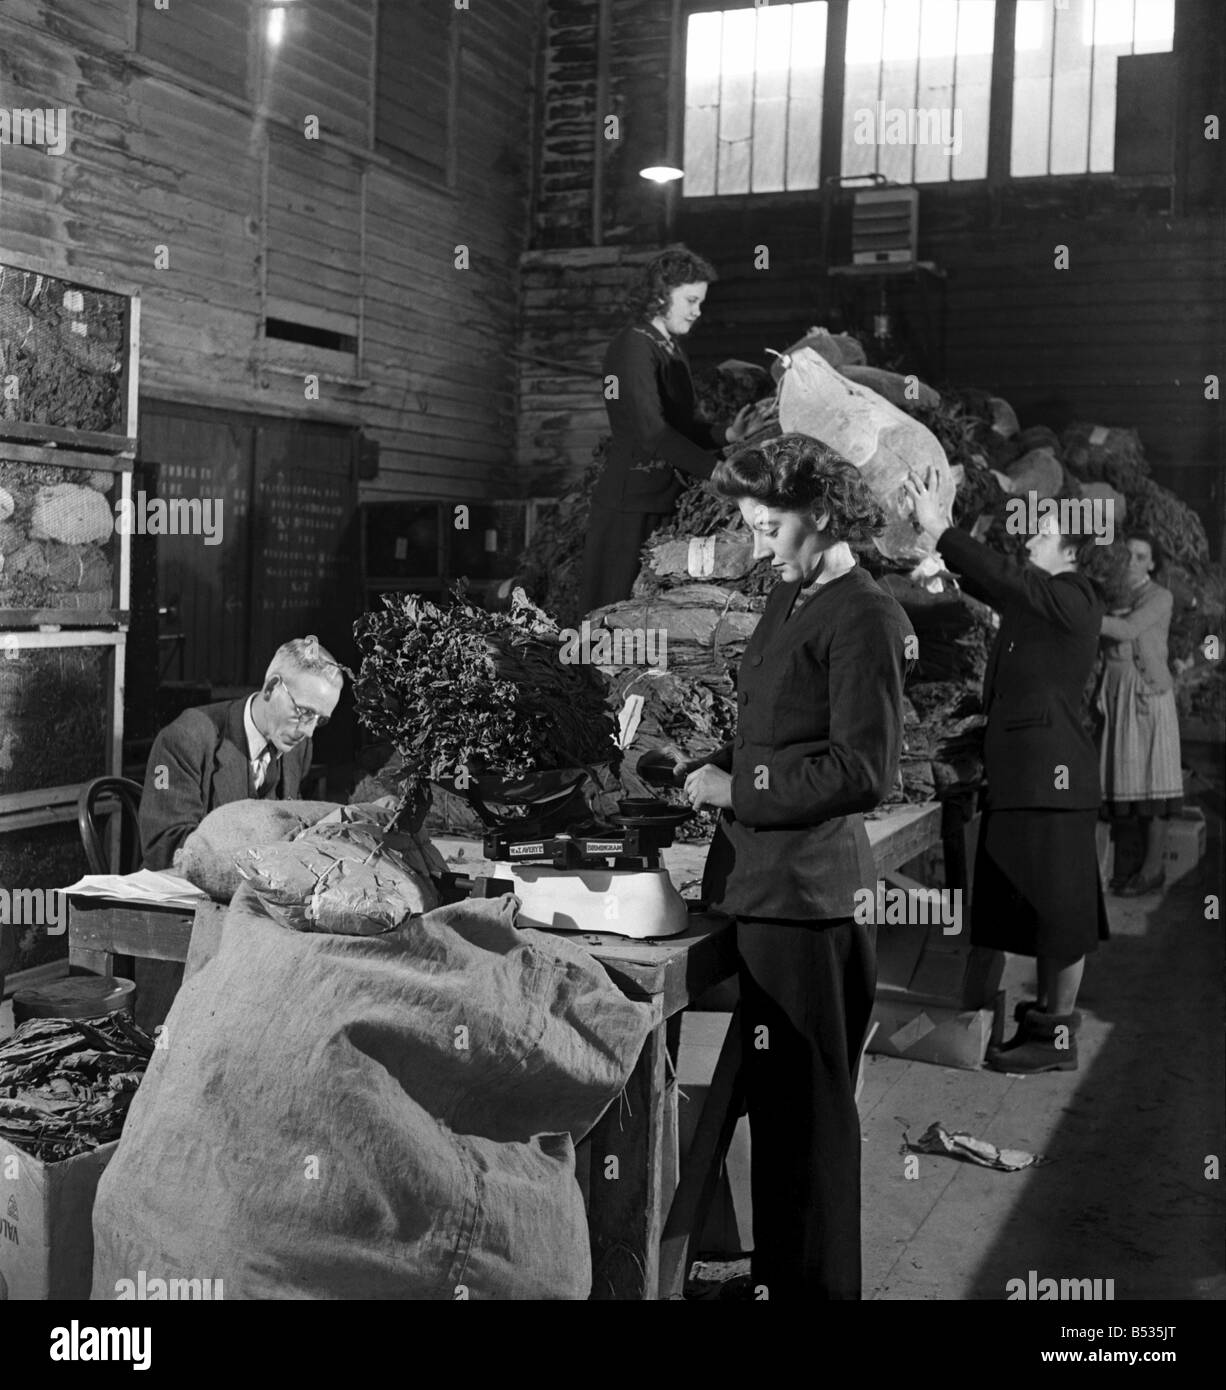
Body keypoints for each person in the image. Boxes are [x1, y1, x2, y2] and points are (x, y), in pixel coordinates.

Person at [680, 433, 914, 1301]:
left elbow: (863, 770)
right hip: (759, 887)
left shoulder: (866, 615)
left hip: (809, 902)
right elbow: (779, 732)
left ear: (818, 513)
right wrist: (708, 765)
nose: (759, 544)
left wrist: (736, 786)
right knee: (777, 1119)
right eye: (749, 525)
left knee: (812, 1125)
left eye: (768, 524)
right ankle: (781, 1279)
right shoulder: (791, 597)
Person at [904, 467, 1132, 1075]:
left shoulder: (1077, 596)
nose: (1031, 535)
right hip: (1030, 778)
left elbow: (1015, 584)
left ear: (1074, 548)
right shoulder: (1048, 602)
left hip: (1050, 781)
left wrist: (943, 530)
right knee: (1043, 910)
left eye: (1045, 528)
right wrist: (950, 567)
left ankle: (1054, 1040)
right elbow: (1008, 590)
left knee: (1062, 917)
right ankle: (1041, 1027)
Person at [578, 246, 763, 613]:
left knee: (647, 610)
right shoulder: (632, 346)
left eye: (701, 302)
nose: (698, 311)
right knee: (613, 609)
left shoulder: (670, 347)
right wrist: (716, 471)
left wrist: (727, 434)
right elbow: (651, 432)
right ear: (661, 295)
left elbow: (681, 426)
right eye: (691, 300)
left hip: (663, 495)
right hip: (630, 501)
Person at [139, 636, 345, 870]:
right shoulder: (185, 738)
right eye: (304, 712)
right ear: (271, 688)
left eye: (320, 720)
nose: (308, 732)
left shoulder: (298, 748)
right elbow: (165, 847)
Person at [1096, 530, 1183, 896]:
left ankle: (1152, 870)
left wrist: (1078, 612)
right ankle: (1123, 867)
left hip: (1148, 695)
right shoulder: (1110, 593)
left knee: (1153, 785)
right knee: (1123, 784)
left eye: (1141, 556)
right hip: (1116, 695)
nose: (1132, 560)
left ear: (1152, 563)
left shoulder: (1160, 597)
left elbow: (1128, 628)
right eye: (1128, 553)